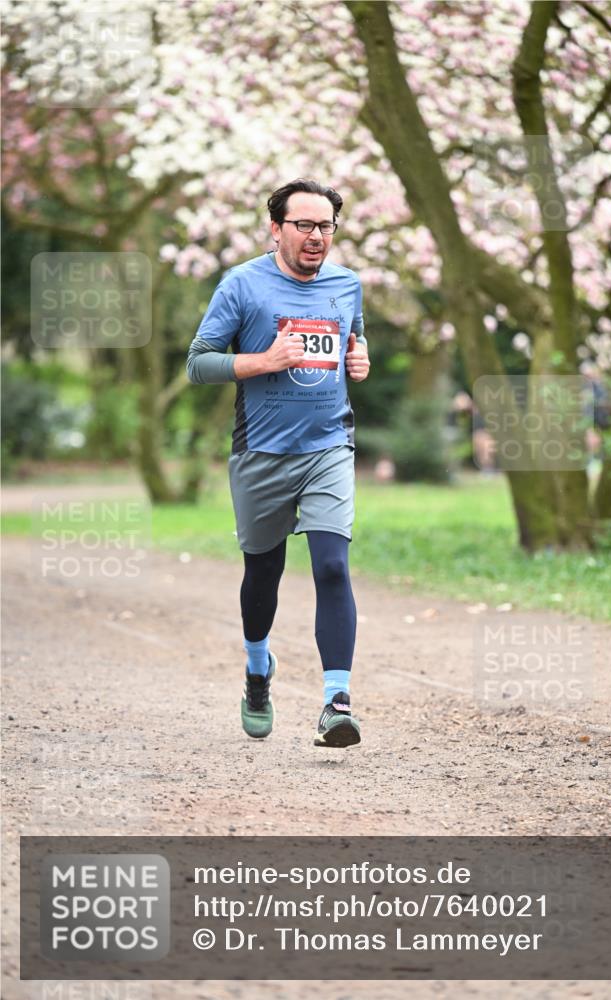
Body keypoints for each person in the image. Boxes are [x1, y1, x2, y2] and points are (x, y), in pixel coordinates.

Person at [186, 178, 370, 748]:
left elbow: (352, 341)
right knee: (262, 573)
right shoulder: (242, 285)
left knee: (333, 568)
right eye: (305, 226)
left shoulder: (347, 284)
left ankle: (335, 703)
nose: (317, 237)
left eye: (326, 227)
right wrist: (264, 360)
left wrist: (360, 358)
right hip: (261, 453)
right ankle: (258, 668)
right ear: (276, 228)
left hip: (328, 448)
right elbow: (198, 363)